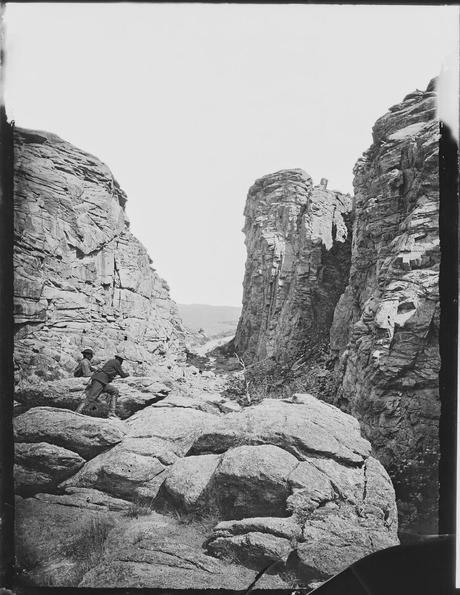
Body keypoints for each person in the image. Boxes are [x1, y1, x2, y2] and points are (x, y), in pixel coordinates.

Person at [76, 354, 129, 418]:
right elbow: (122, 374)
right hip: (100, 380)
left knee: (115, 391)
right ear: (119, 359)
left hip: (103, 382)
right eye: (122, 360)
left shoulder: (111, 362)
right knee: (91, 397)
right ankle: (78, 411)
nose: (122, 362)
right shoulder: (116, 362)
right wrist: (127, 374)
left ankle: (111, 413)